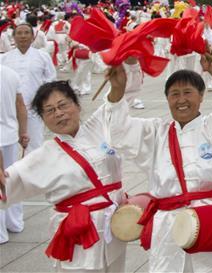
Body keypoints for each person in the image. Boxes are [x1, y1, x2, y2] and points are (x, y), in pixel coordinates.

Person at [105, 46, 212, 273]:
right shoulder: (155, 131)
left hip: (209, 218)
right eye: (174, 94)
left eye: (188, 93)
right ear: (167, 99)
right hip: (168, 224)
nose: (181, 100)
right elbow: (118, 131)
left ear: (201, 96)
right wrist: (117, 91)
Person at [0, 81, 126, 272]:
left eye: (63, 105)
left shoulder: (98, 127)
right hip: (79, 235)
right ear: (43, 119)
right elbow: (8, 184)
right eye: (49, 110)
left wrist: (122, 76)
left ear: (77, 105)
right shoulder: (43, 156)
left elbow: (115, 101)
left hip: (114, 230)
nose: (58, 113)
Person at [0, 23, 56, 155]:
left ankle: (33, 173)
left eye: (26, 33)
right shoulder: (4, 58)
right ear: (13, 37)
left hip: (33, 108)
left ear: (32, 36)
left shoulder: (42, 56)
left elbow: (50, 80)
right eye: (19, 33)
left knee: (34, 145)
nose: (23, 36)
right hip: (8, 110)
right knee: (8, 145)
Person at [0, 67, 27, 244]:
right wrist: (23, 132)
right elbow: (20, 105)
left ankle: (1, 233)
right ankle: (15, 222)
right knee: (9, 179)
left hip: (6, 134)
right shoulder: (11, 73)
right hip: (8, 134)